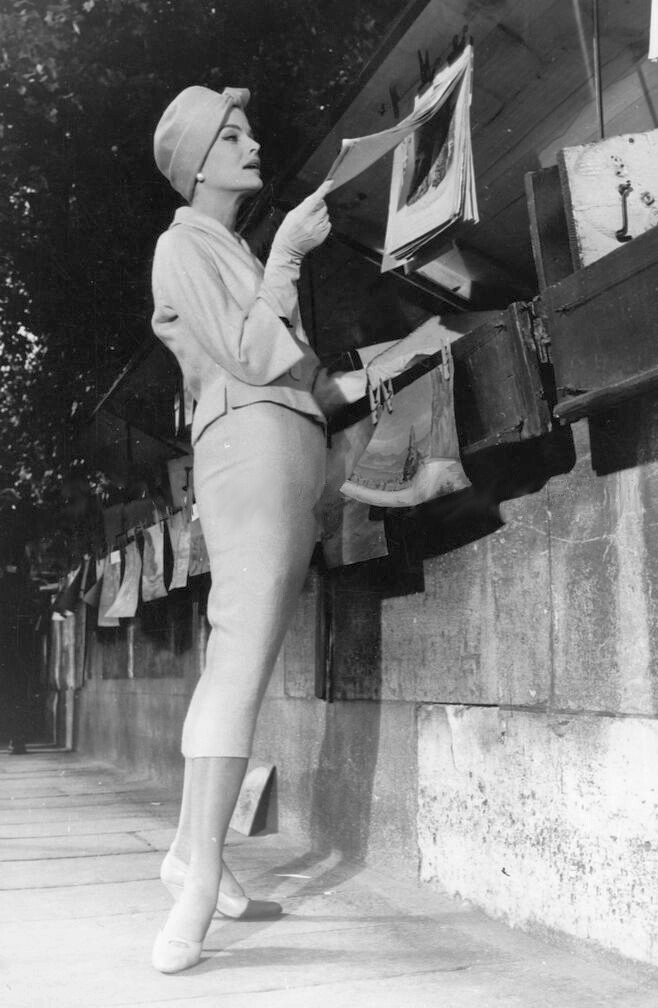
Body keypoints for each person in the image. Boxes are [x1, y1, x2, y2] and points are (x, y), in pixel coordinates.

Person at [150, 85, 366, 973]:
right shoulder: (182, 247)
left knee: (239, 654)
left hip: (283, 444)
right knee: (240, 656)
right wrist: (285, 255)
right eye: (232, 137)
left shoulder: (228, 250)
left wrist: (393, 366)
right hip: (249, 447)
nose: (252, 146)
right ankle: (198, 876)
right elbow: (248, 354)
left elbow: (296, 375)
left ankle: (191, 854)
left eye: (249, 132)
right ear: (197, 164)